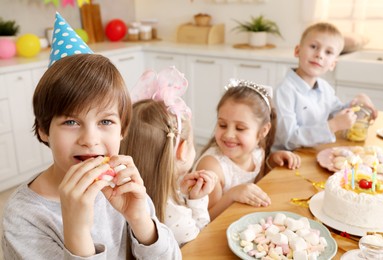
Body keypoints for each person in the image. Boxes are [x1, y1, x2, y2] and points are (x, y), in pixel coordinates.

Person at [1, 12, 181, 260]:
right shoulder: (24, 216)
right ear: (43, 129)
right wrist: (76, 231)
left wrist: (140, 220)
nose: (90, 138)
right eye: (71, 121)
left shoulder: (124, 186)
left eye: (105, 121)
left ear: (123, 130)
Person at [120, 67, 217, 247]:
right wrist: (198, 202)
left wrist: (181, 190)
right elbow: (200, 247)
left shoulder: (122, 197)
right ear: (182, 150)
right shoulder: (175, 217)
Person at [194, 79, 301, 220]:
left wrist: (272, 162)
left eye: (240, 128)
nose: (228, 134)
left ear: (263, 131)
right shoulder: (212, 168)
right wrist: (231, 195)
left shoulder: (258, 152)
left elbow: (258, 183)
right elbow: (204, 221)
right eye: (222, 125)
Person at [273, 22, 378, 151]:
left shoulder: (325, 88)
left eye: (328, 52)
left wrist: (357, 103)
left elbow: (338, 113)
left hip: (311, 153)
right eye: (313, 46)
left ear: (333, 64)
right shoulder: (284, 91)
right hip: (285, 160)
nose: (319, 55)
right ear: (297, 51)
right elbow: (289, 139)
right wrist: (332, 126)